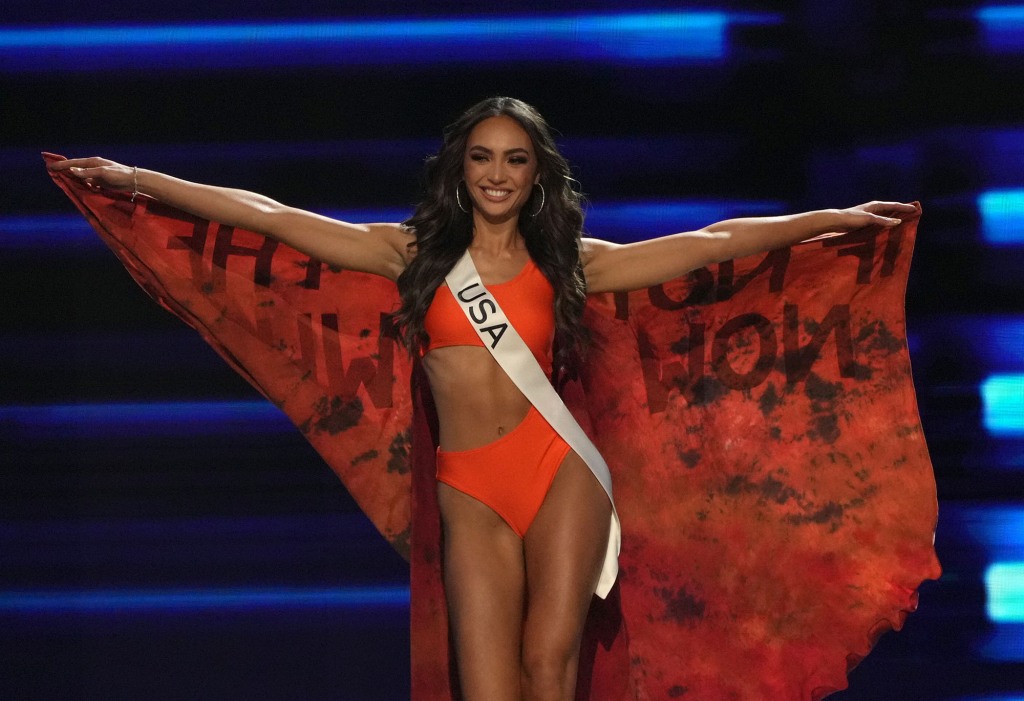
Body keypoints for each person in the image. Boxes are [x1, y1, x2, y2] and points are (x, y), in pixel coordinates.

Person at [48, 96, 919, 701]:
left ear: (536, 175)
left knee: (552, 667)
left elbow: (711, 243)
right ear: (459, 169)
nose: (497, 174)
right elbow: (269, 216)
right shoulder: (408, 257)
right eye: (482, 158)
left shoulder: (570, 263)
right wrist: (141, 180)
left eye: (515, 160)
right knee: (490, 686)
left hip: (561, 474)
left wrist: (823, 220)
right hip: (470, 488)